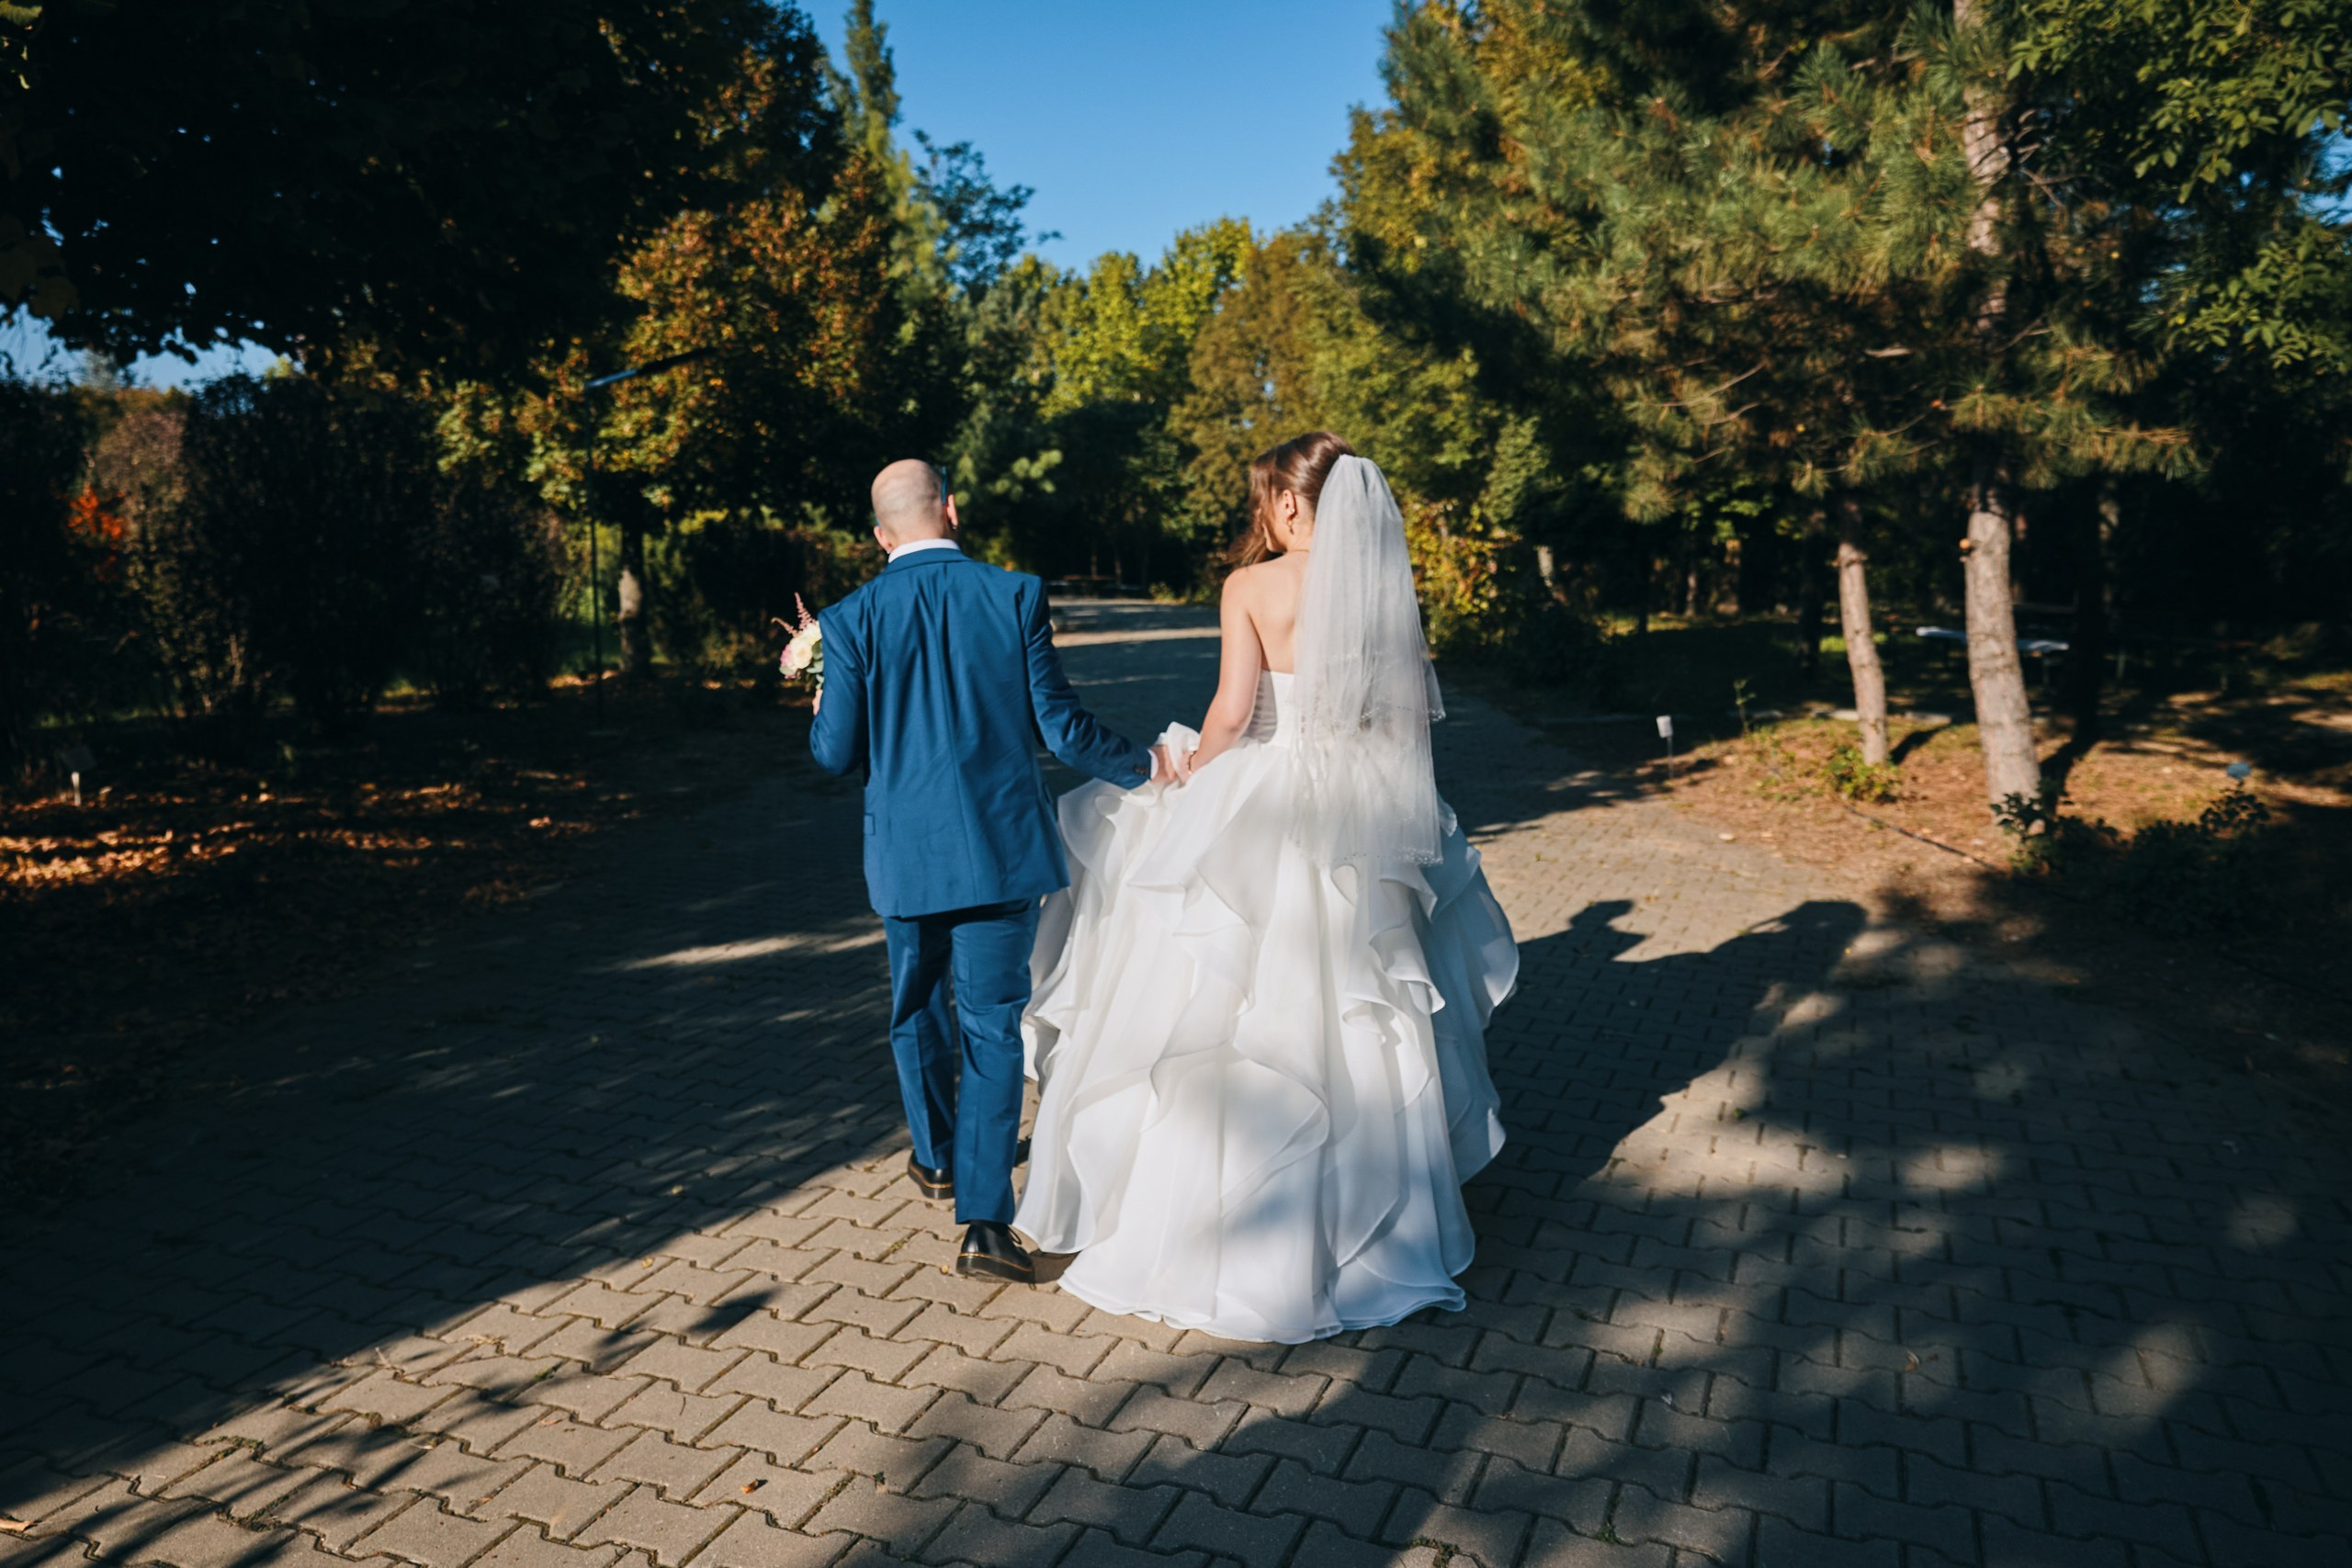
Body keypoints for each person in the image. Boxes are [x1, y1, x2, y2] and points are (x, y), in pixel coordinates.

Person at [1015, 434, 1520, 1342]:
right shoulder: (1383, 589)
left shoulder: (1251, 586)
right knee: (1359, 1009)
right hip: (1359, 818)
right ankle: (1376, 1231)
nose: (1264, 516)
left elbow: (1232, 712)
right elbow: (1403, 724)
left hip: (1266, 797)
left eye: (1265, 501)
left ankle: (1219, 1232)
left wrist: (1190, 774)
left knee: (1232, 1007)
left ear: (1289, 503)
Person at [809, 459, 1177, 1282]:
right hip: (998, 848)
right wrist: (1146, 765)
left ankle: (936, 1155)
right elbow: (1063, 727)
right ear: (951, 508)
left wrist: (823, 695)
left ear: (879, 534)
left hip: (905, 857)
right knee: (990, 1027)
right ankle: (983, 1223)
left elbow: (834, 752)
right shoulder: (1014, 594)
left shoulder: (849, 616)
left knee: (914, 1006)